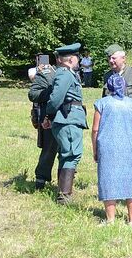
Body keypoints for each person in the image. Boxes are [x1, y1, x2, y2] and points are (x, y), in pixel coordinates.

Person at [92, 74, 132, 225]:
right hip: (129, 147)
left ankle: (110, 219)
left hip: (108, 147)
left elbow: (95, 130)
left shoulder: (101, 104)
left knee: (108, 181)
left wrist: (95, 149)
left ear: (109, 87)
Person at [46, 43, 87, 204]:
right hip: (68, 118)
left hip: (69, 118)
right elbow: (56, 99)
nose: (78, 60)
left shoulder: (68, 73)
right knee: (71, 154)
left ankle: (63, 192)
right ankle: (64, 195)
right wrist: (48, 115)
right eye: (77, 57)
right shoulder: (64, 74)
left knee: (67, 154)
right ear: (71, 59)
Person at [102, 44, 132, 184]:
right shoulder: (107, 76)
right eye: (109, 58)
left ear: (123, 58)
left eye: (114, 58)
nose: (111, 61)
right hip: (113, 122)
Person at [27, 58, 59, 189]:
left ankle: (65, 184)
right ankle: (41, 179)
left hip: (69, 117)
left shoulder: (73, 74)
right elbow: (33, 94)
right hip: (49, 116)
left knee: (68, 151)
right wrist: (52, 93)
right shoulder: (46, 73)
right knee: (48, 149)